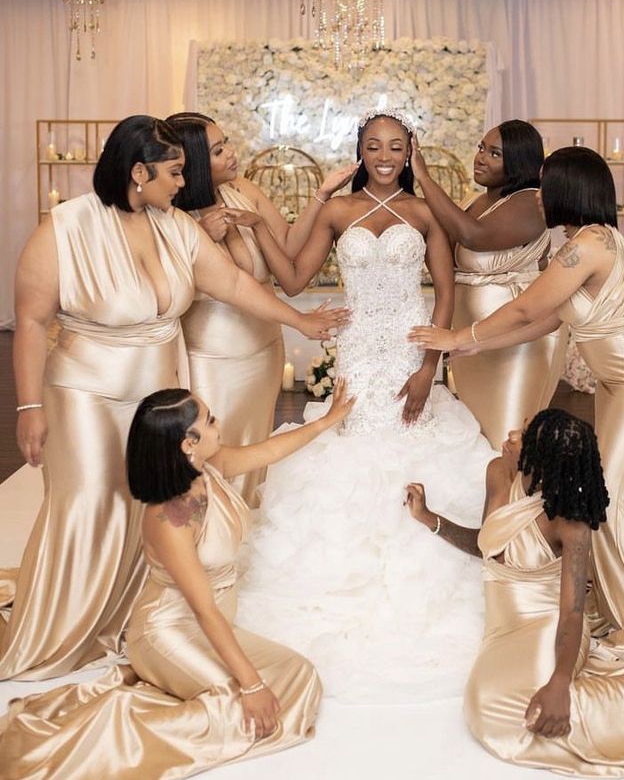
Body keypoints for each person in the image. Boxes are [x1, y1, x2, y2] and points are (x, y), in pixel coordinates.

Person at [1, 115, 347, 681]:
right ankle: (65, 627)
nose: (184, 184)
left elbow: (234, 284)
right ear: (138, 172)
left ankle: (127, 616)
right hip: (87, 389)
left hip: (156, 385)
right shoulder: (64, 229)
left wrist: (300, 321)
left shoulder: (172, 226)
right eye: (174, 172)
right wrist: (29, 406)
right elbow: (33, 323)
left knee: (149, 498)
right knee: (91, 500)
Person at [410, 146, 624, 635]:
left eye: (547, 186)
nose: (539, 196)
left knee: (612, 495)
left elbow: (523, 309)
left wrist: (458, 336)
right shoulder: (585, 241)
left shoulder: (586, 246)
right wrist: (478, 346)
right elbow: (543, 318)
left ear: (569, 191)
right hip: (620, 376)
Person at [235, 108, 496, 702]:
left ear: (411, 152)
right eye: (374, 146)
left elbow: (447, 294)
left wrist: (432, 367)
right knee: (352, 441)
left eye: (396, 146)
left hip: (409, 349)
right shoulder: (337, 210)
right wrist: (257, 227)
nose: (385, 155)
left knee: (412, 439)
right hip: (357, 349)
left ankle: (425, 543)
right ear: (359, 151)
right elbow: (295, 281)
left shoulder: (426, 212)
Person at [0, 381, 355, 778]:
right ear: (188, 443)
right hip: (168, 632)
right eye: (210, 420)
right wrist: (251, 685)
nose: (218, 424)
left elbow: (268, 452)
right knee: (239, 700)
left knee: (300, 676)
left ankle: (210, 695)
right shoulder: (170, 517)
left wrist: (326, 422)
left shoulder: (210, 468)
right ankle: (121, 735)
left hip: (213, 621)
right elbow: (202, 610)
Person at [406, 410, 624, 779]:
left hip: (547, 627)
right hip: (503, 632)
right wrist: (430, 518)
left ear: (542, 459)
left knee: (505, 709)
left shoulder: (569, 521)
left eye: (524, 436)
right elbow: (489, 544)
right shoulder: (499, 473)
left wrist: (561, 681)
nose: (512, 434)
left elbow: (572, 613)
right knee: (485, 707)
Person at [166, 112, 356, 503]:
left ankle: (245, 521)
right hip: (212, 353)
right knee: (212, 444)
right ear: (196, 162)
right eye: (218, 150)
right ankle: (209, 533)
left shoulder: (242, 189)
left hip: (265, 344)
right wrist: (200, 237)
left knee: (254, 441)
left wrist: (322, 194)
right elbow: (175, 282)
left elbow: (286, 243)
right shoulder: (173, 216)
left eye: (227, 143)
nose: (232, 154)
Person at [411, 120, 566, 449]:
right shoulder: (473, 201)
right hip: (472, 338)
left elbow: (474, 236)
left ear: (519, 163)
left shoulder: (531, 201)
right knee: (478, 437)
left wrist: (423, 177)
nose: (480, 157)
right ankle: (495, 499)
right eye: (482, 147)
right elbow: (444, 249)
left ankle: (517, 500)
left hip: (515, 337)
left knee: (507, 440)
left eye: (494, 153)